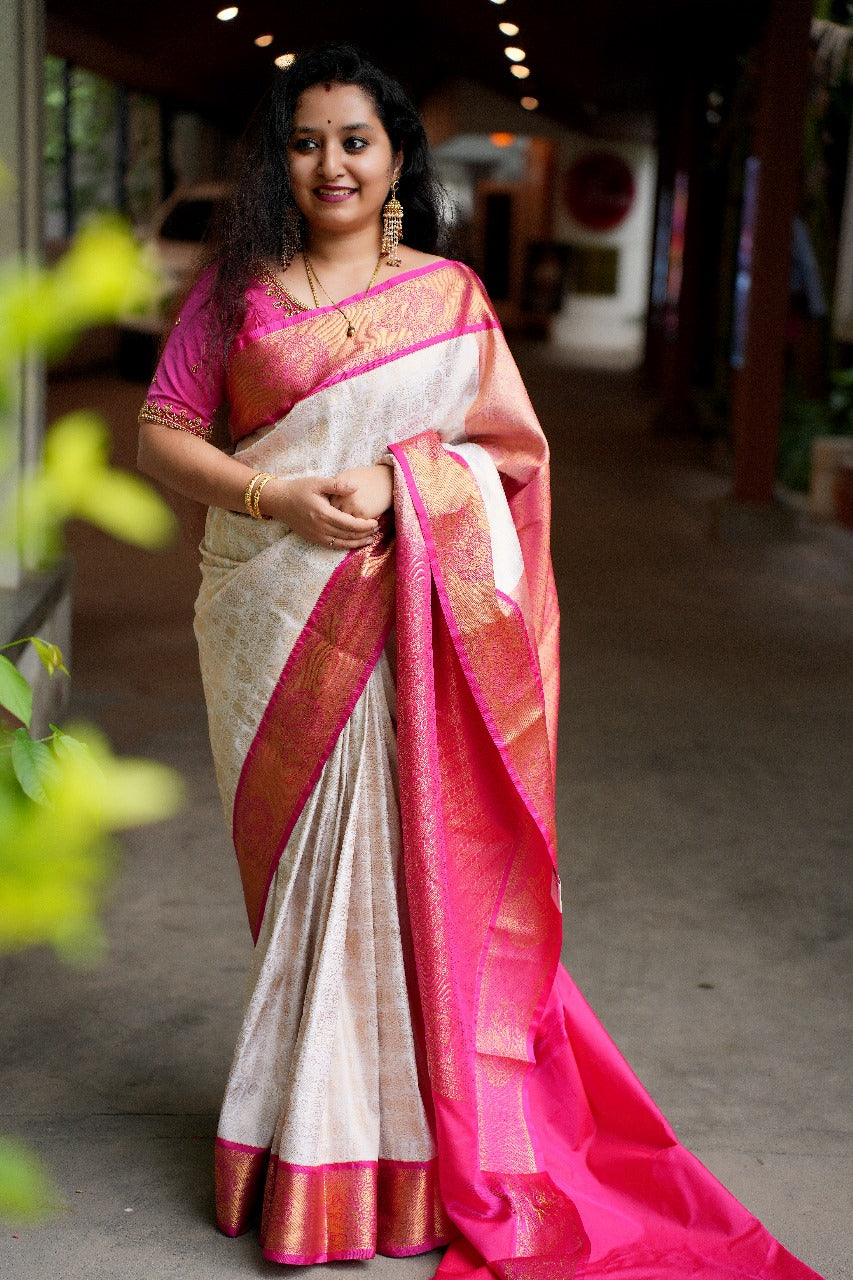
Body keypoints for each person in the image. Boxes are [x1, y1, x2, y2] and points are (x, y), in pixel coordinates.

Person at [137, 43, 824, 1280]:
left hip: (414, 629)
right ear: (278, 160)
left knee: (405, 876)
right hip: (274, 617)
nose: (331, 162)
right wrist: (271, 497)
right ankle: (310, 1136)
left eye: (356, 138)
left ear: (399, 157)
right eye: (306, 140)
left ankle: (398, 1148)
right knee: (311, 885)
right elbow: (163, 430)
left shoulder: (450, 300)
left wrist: (408, 489)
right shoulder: (237, 290)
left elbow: (511, 466)